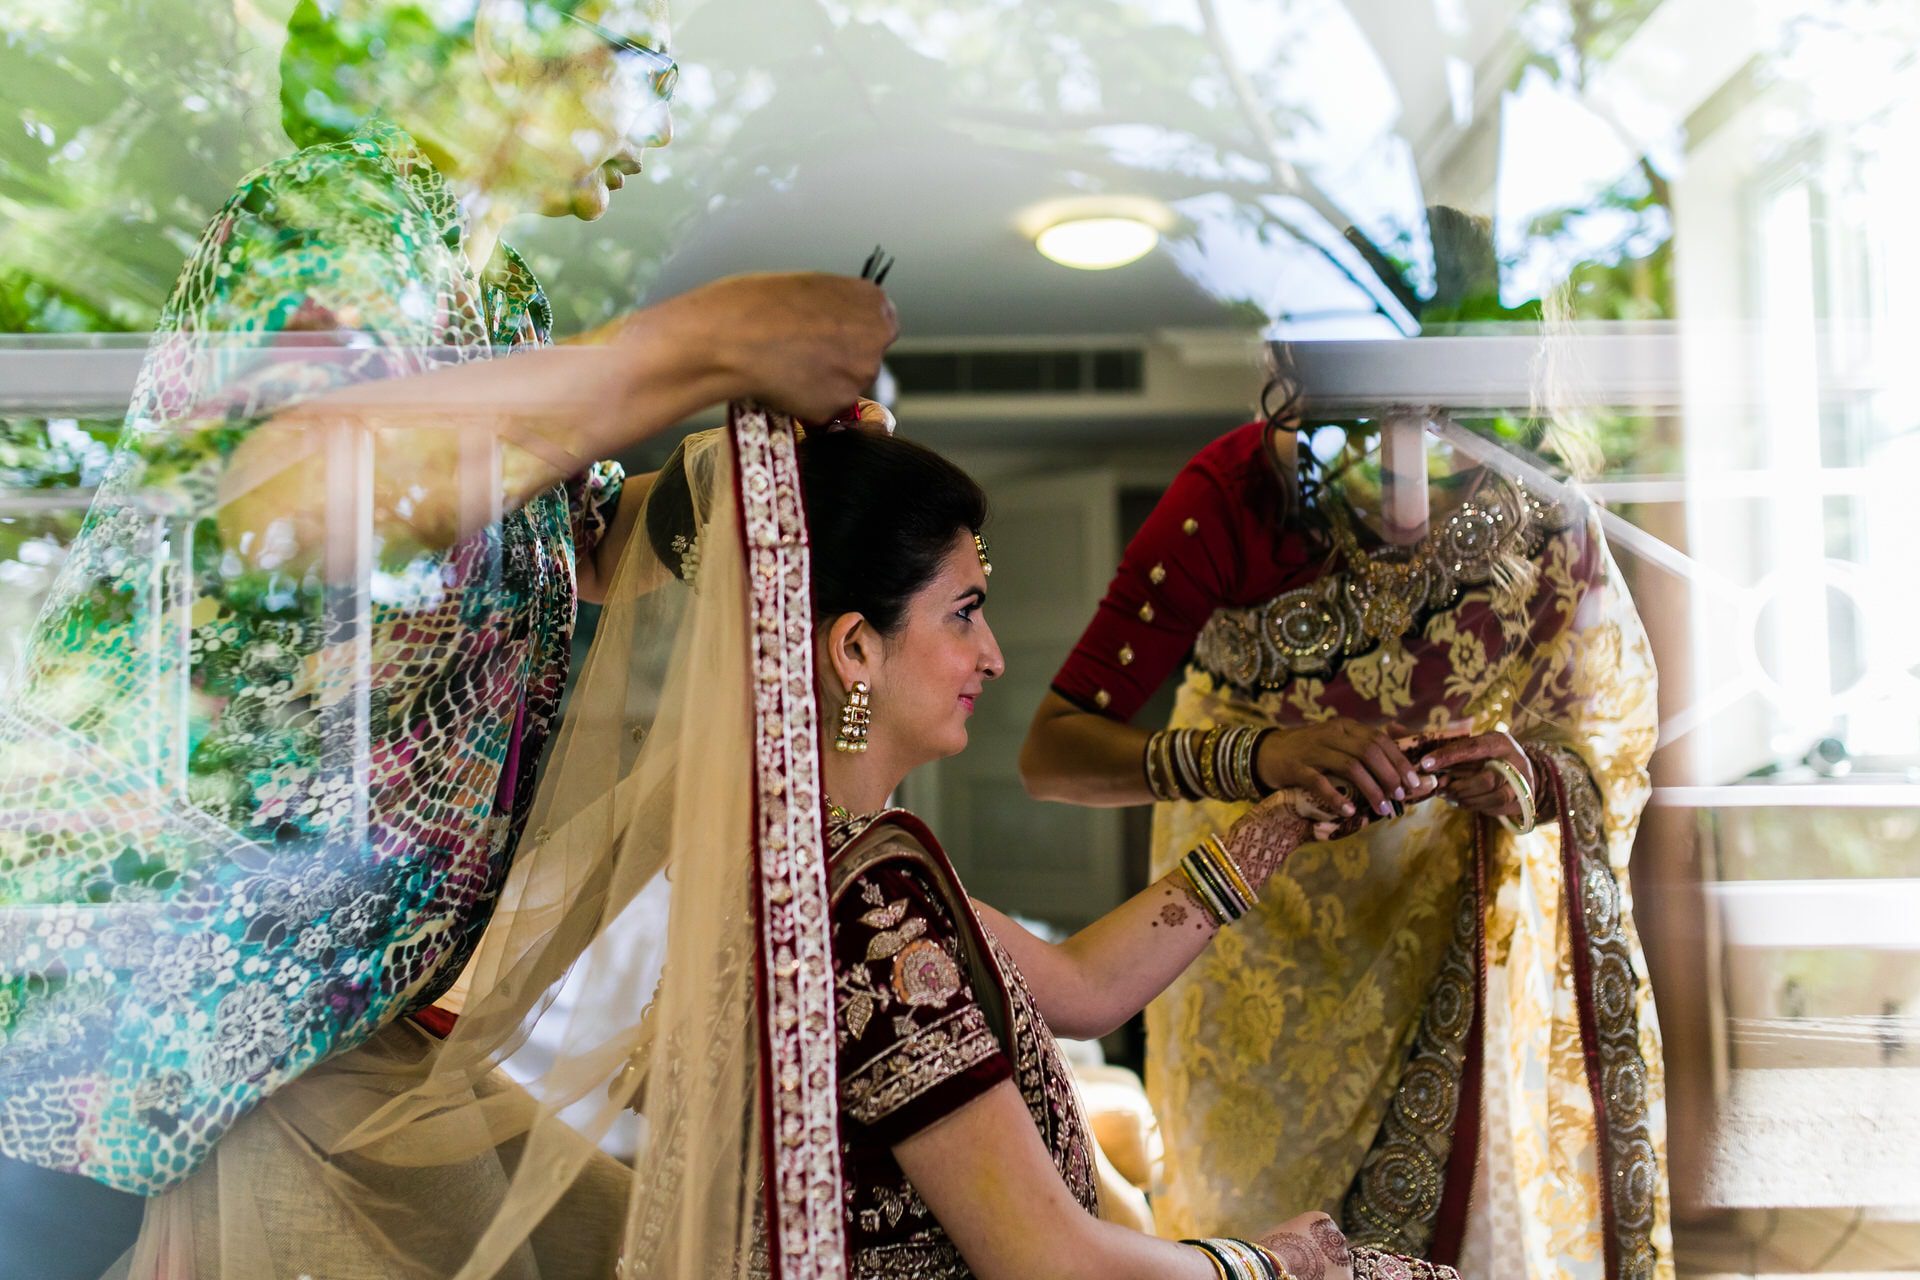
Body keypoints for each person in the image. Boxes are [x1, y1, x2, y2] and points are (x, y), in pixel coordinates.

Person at [0, 1, 893, 1274]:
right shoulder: (330, 215)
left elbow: (569, 537)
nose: (663, 133)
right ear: (507, 37)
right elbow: (298, 496)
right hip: (136, 1020)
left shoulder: (504, 297)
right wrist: (694, 343)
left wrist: (743, 477)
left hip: (316, 1016)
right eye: (654, 71)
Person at [585, 418, 1463, 1280]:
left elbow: (1084, 988)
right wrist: (1275, 1265)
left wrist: (1280, 823)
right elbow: (1047, 1261)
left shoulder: (796, 865)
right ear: (855, 648)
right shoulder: (864, 895)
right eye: (964, 615)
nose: (994, 657)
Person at [1019, 386, 1672, 1279]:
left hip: (1450, 944)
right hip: (1252, 939)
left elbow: (1608, 739)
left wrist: (1523, 777)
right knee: (1254, 1229)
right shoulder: (1233, 497)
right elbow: (1051, 754)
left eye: (1444, 438)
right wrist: (1258, 758)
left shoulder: (1544, 516)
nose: (1407, 487)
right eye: (1365, 435)